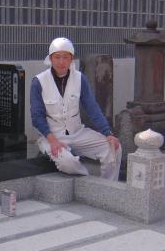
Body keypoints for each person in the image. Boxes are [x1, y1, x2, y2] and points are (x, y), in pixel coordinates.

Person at [30, 37, 122, 180]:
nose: (61, 62)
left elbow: (92, 108)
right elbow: (37, 117)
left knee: (113, 148)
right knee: (68, 163)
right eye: (57, 57)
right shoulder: (39, 82)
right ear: (51, 58)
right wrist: (52, 141)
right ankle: (89, 180)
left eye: (65, 57)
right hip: (51, 137)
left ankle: (108, 186)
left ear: (71, 59)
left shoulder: (80, 78)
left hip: (78, 134)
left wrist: (108, 133)